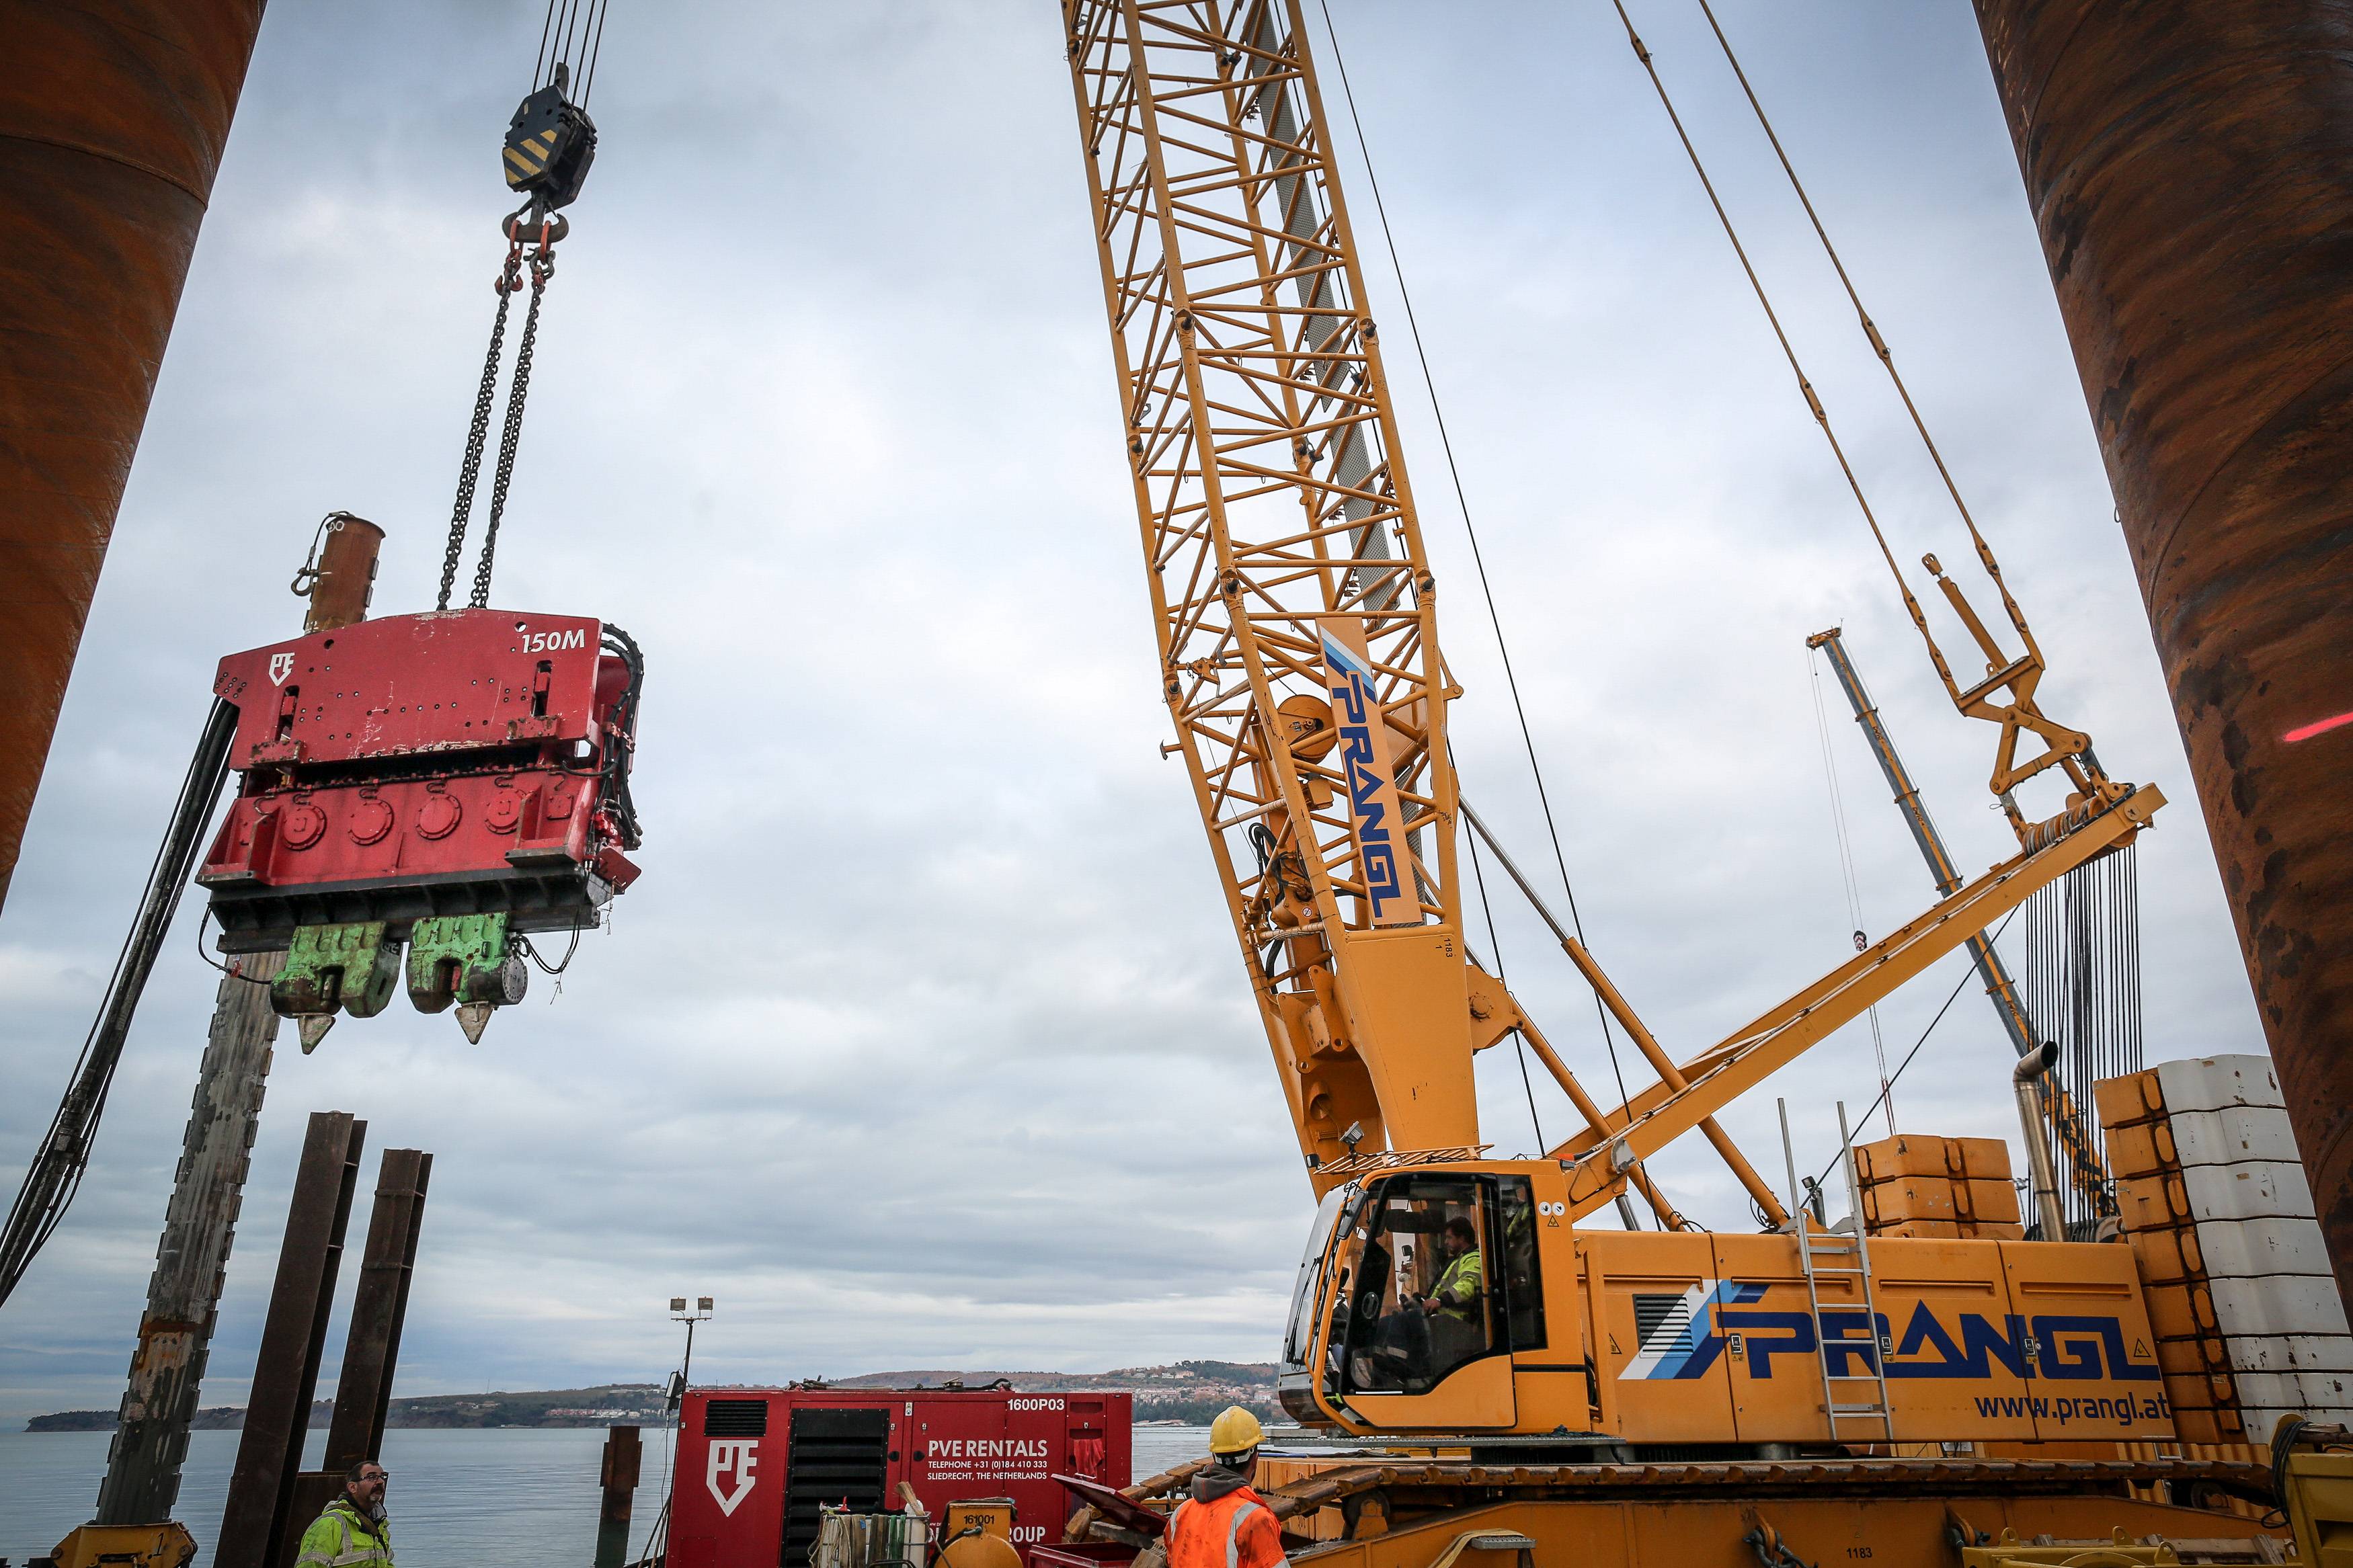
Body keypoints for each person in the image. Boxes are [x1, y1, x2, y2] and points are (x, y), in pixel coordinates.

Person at [1163, 1407, 1287, 1568]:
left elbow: (1171, 1560)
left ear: (1214, 1457)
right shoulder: (1255, 1520)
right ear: (1255, 1460)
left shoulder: (1181, 1514)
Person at [295, 1459, 394, 1568]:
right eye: (372, 1477)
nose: (380, 1481)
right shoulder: (330, 1524)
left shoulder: (380, 1525)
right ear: (353, 1487)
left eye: (382, 1476)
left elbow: (386, 1564)